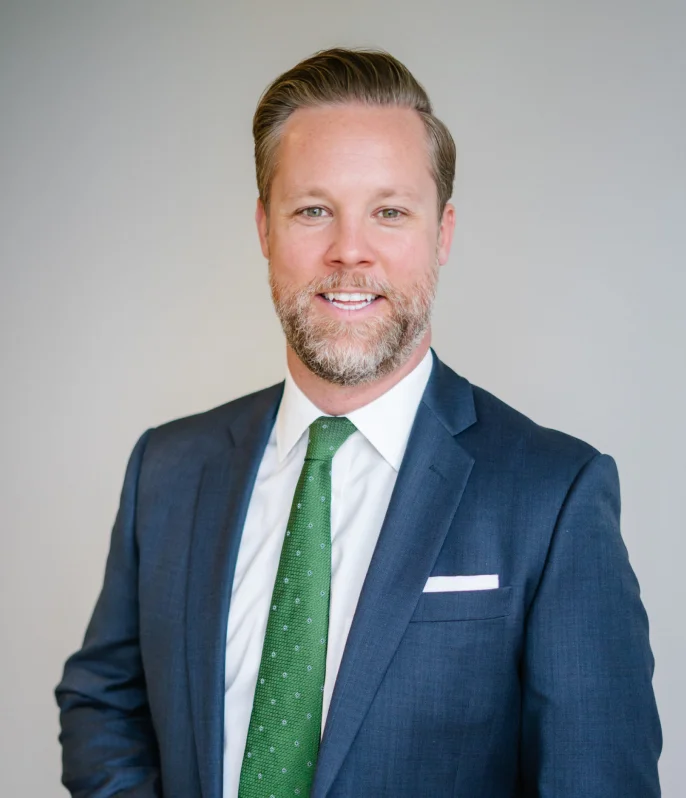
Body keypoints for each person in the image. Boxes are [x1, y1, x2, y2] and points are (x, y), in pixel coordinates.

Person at [55, 48, 661, 798]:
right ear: (264, 229)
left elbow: (598, 781)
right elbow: (103, 698)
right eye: (313, 210)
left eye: (389, 212)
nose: (349, 251)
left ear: (441, 234)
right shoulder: (168, 470)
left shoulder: (553, 495)